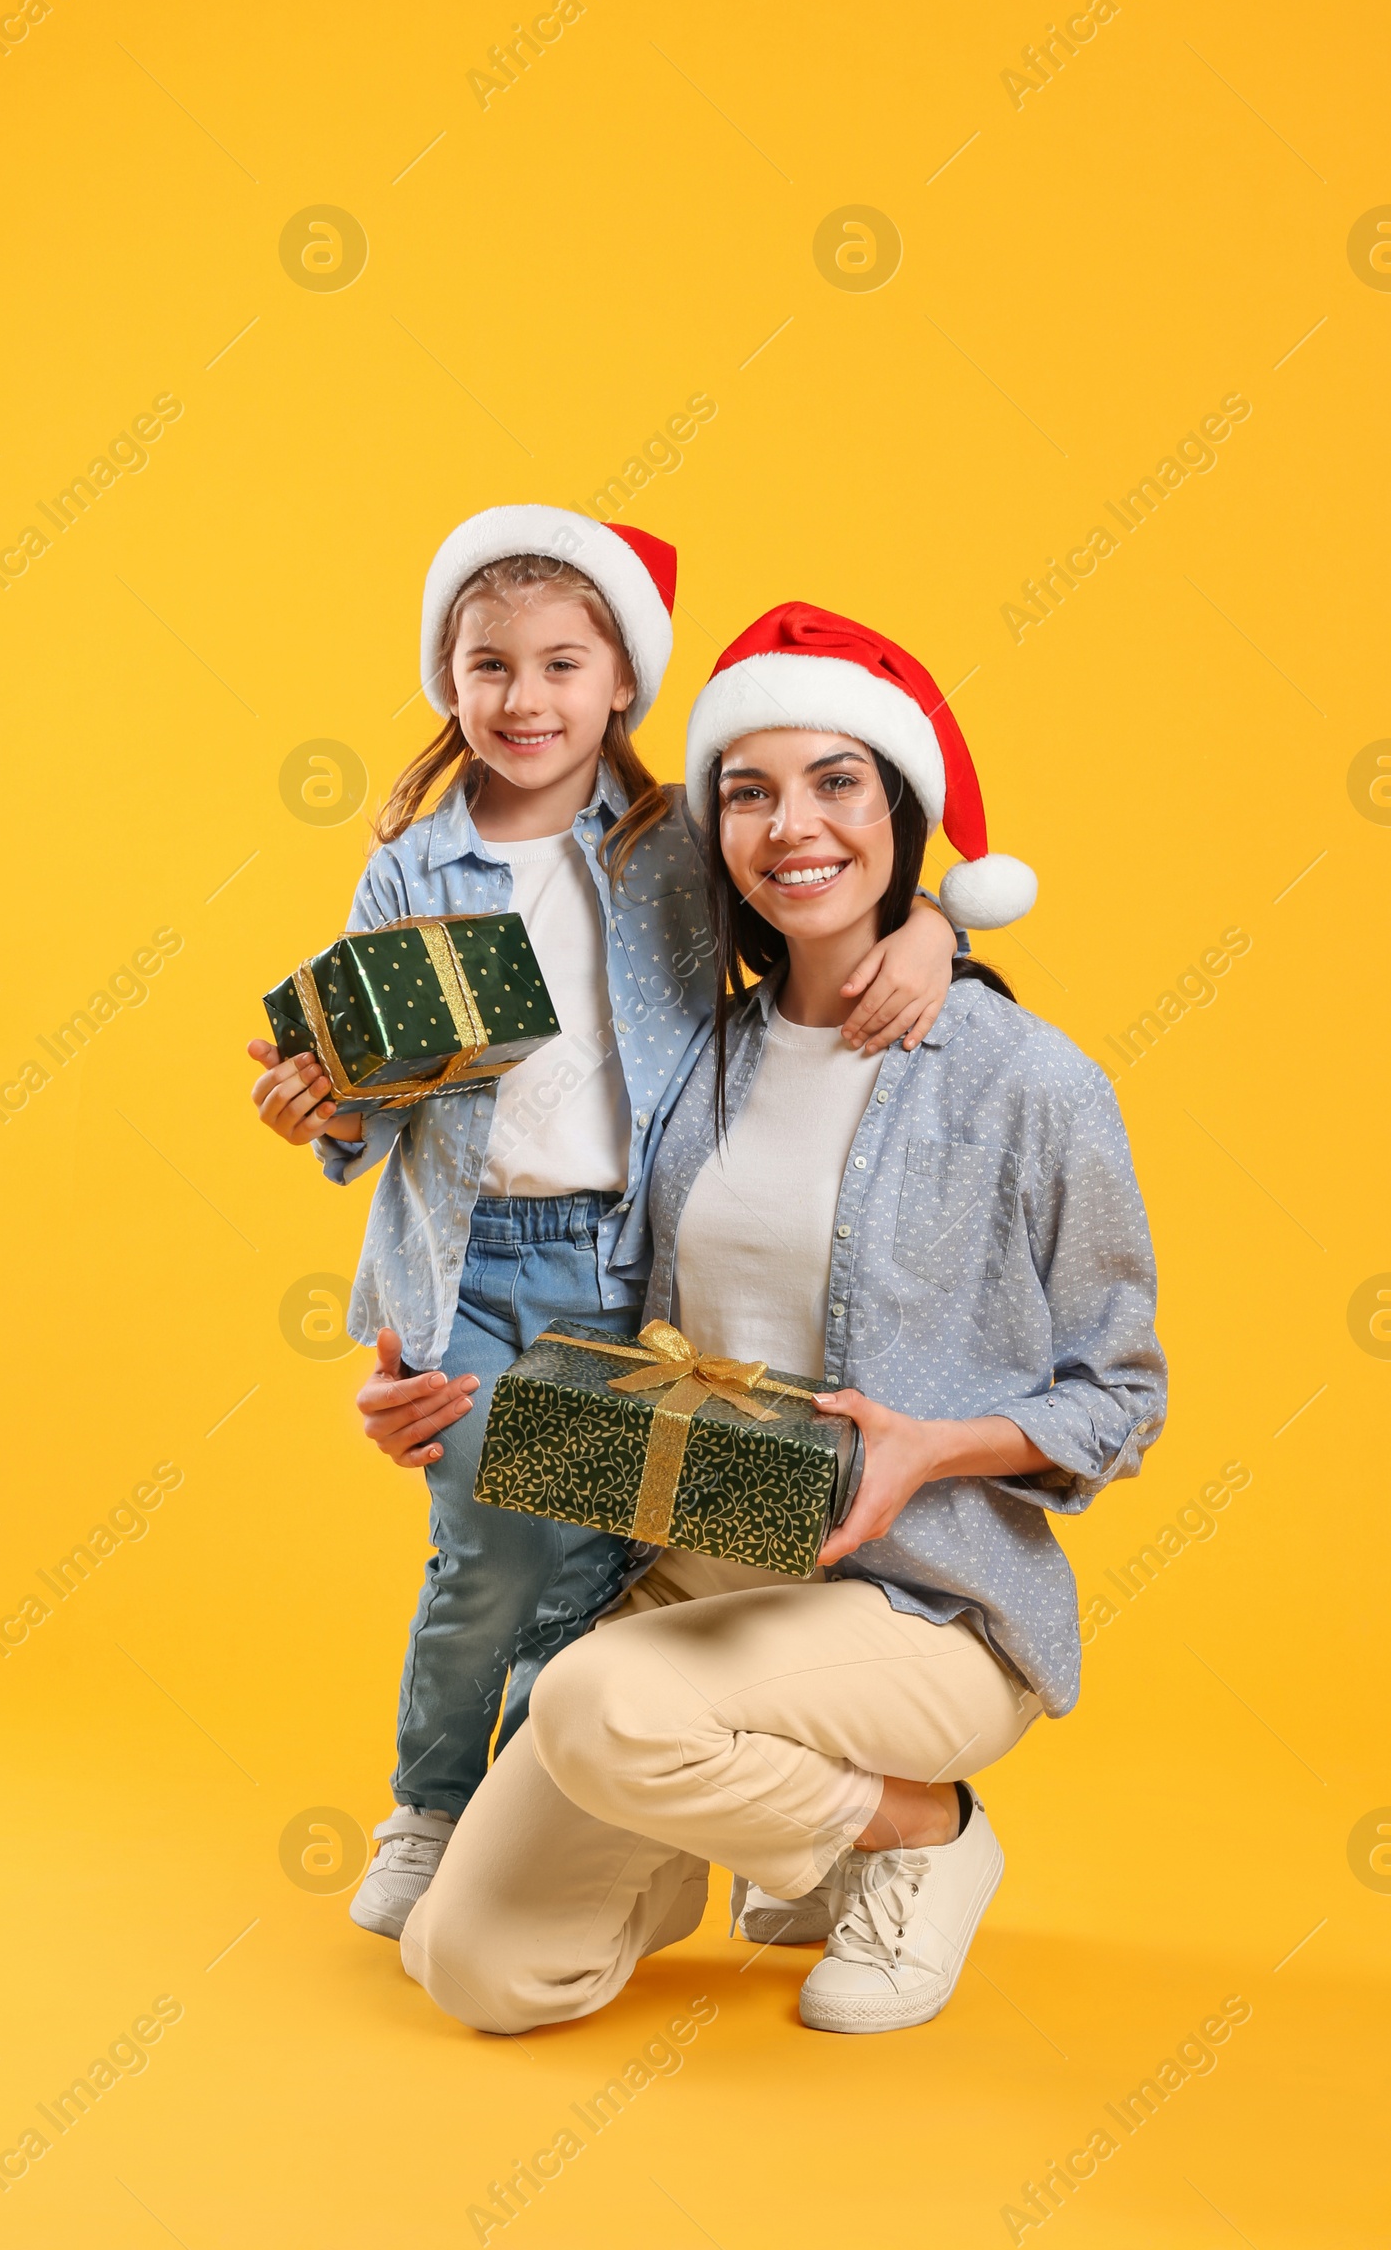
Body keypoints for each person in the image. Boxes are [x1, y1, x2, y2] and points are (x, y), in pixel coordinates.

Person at [401, 601, 1167, 2036]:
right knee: (477, 1971)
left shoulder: (1029, 1084)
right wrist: (437, 1372)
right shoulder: (702, 1055)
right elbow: (590, 1283)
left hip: (917, 1605)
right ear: (716, 837)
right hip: (698, 1569)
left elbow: (1120, 1397)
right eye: (746, 791)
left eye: (836, 781)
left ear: (899, 809)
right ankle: (740, 1839)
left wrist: (928, 1449)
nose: (789, 823)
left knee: (594, 1708)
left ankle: (922, 1830)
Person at [247, 520, 960, 1941]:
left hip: (635, 1266)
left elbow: (813, 904)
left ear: (623, 678)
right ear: (446, 681)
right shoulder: (411, 869)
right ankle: (437, 1807)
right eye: (489, 664)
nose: (525, 699)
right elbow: (376, 1106)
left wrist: (929, 923)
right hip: (477, 1267)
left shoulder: (673, 851)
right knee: (492, 1554)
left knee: (608, 1563)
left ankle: (646, 1829)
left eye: (562, 663)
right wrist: (317, 1112)